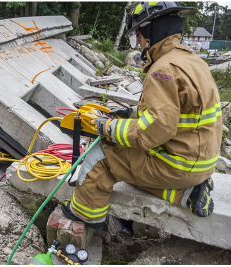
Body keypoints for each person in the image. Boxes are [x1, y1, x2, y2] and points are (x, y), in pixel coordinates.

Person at [61, 1, 222, 230]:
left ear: (150, 31)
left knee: (104, 157)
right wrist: (130, 114)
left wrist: (107, 129)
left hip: (177, 165)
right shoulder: (193, 61)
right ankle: (189, 193)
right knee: (131, 166)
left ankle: (85, 215)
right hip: (201, 164)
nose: (140, 43)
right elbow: (175, 114)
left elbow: (153, 131)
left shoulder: (163, 69)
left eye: (139, 35)